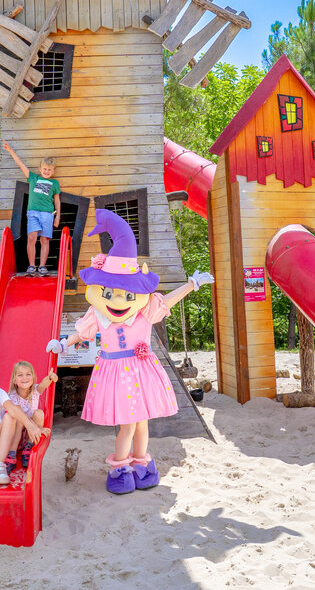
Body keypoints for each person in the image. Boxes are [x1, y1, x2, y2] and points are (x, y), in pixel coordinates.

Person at [47, 209, 213, 494]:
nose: (119, 300)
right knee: (126, 426)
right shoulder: (98, 314)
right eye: (111, 292)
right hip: (115, 374)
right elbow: (82, 332)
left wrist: (191, 284)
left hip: (143, 372)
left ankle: (141, 464)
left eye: (127, 293)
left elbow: (167, 301)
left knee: (142, 424)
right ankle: (120, 468)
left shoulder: (143, 311)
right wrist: (63, 344)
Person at [4, 141, 60, 275]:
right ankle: (31, 266)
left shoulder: (54, 183)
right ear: (40, 169)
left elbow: (57, 201)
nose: (47, 171)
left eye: (49, 169)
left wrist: (57, 216)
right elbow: (21, 165)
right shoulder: (33, 178)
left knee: (45, 239)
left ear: (53, 171)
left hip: (47, 214)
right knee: (31, 237)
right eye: (45, 169)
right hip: (33, 213)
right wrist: (11, 150)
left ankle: (42, 267)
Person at [0, 360, 57, 469]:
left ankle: (28, 448)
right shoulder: (12, 396)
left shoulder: (35, 390)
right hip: (14, 436)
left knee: (39, 413)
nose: (25, 378)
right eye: (20, 375)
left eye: (28, 374)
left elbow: (44, 384)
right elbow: (17, 416)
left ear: (33, 378)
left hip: (29, 435)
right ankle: (12, 453)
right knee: (18, 413)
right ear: (15, 380)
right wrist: (37, 428)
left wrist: (50, 378)